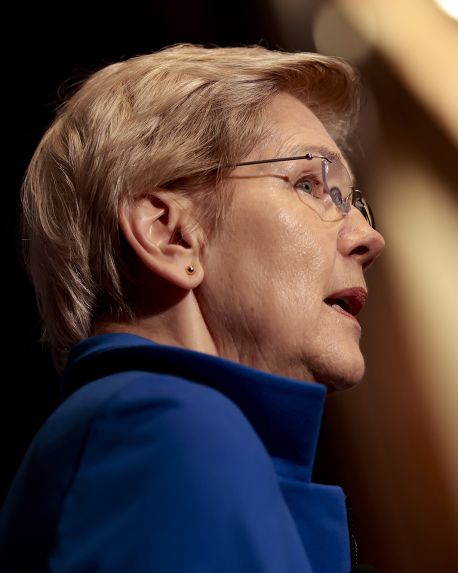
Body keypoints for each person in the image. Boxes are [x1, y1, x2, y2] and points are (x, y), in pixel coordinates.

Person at [0, 43, 385, 572]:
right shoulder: (168, 429)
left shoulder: (171, 432)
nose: (369, 236)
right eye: (309, 184)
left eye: (350, 198)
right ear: (170, 234)